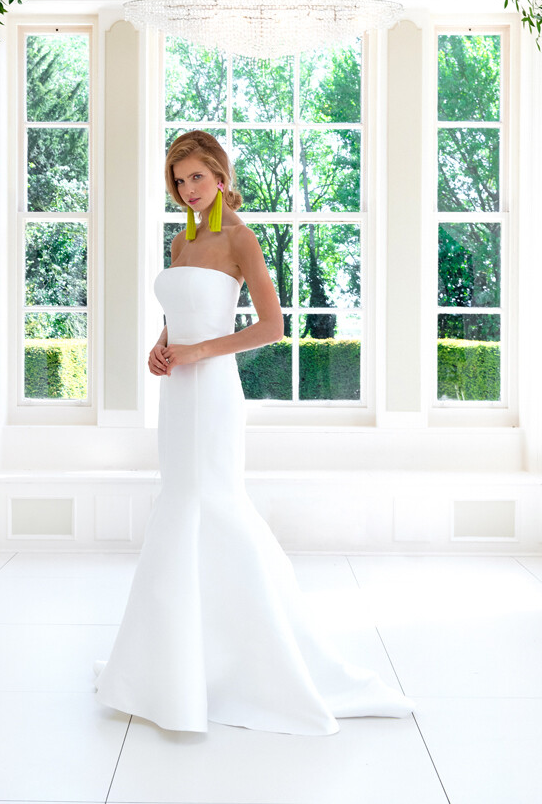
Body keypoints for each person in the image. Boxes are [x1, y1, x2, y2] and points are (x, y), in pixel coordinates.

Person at [93, 130, 415, 735]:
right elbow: (180, 318)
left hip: (213, 391)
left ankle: (255, 657)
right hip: (177, 391)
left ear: (219, 175)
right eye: (179, 180)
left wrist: (199, 352)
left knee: (214, 502)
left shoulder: (240, 238)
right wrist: (161, 347)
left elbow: (272, 326)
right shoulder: (181, 240)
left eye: (197, 176)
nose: (188, 189)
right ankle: (174, 661)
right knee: (178, 503)